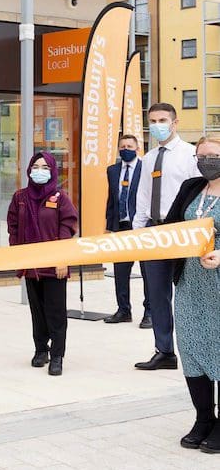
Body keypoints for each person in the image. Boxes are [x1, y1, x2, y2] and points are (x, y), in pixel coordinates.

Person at [132, 103, 200, 371]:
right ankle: (164, 351)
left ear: (175, 122)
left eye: (162, 120)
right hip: (155, 231)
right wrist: (139, 232)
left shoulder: (191, 155)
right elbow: (143, 196)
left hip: (183, 231)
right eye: (153, 120)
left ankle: (194, 349)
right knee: (157, 294)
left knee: (189, 294)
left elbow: (199, 194)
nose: (157, 125)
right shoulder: (148, 158)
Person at [164, 136, 220, 453]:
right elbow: (171, 227)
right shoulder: (191, 187)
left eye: (214, 155)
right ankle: (203, 418)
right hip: (190, 284)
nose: (207, 161)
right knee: (193, 348)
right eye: (201, 156)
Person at [7, 152, 78, 376]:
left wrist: (62, 260)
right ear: (29, 170)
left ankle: (57, 355)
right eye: (36, 166)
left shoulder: (60, 197)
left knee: (56, 312)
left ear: (52, 171)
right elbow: (13, 226)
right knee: (37, 311)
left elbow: (67, 228)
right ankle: (40, 350)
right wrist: (18, 255)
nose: (39, 171)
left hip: (54, 266)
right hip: (31, 266)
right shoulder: (20, 197)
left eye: (45, 167)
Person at [103, 134, 148, 326]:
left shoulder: (146, 168)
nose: (125, 149)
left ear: (137, 148)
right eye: (122, 146)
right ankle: (123, 310)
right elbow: (112, 199)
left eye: (130, 146)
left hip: (143, 227)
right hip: (121, 227)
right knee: (120, 272)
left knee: (148, 272)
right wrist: (108, 225)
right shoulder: (112, 170)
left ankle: (150, 312)